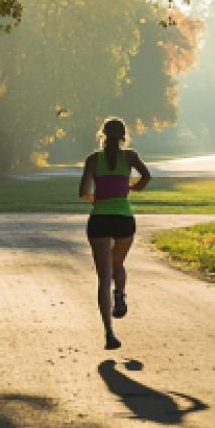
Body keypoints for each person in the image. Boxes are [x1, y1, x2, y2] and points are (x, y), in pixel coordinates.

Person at [78, 117, 151, 350]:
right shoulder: (130, 157)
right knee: (117, 264)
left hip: (100, 219)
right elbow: (147, 176)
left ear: (102, 135)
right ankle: (119, 294)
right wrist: (132, 188)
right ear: (123, 136)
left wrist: (96, 199)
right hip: (123, 218)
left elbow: (83, 192)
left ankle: (109, 332)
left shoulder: (92, 160)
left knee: (103, 277)